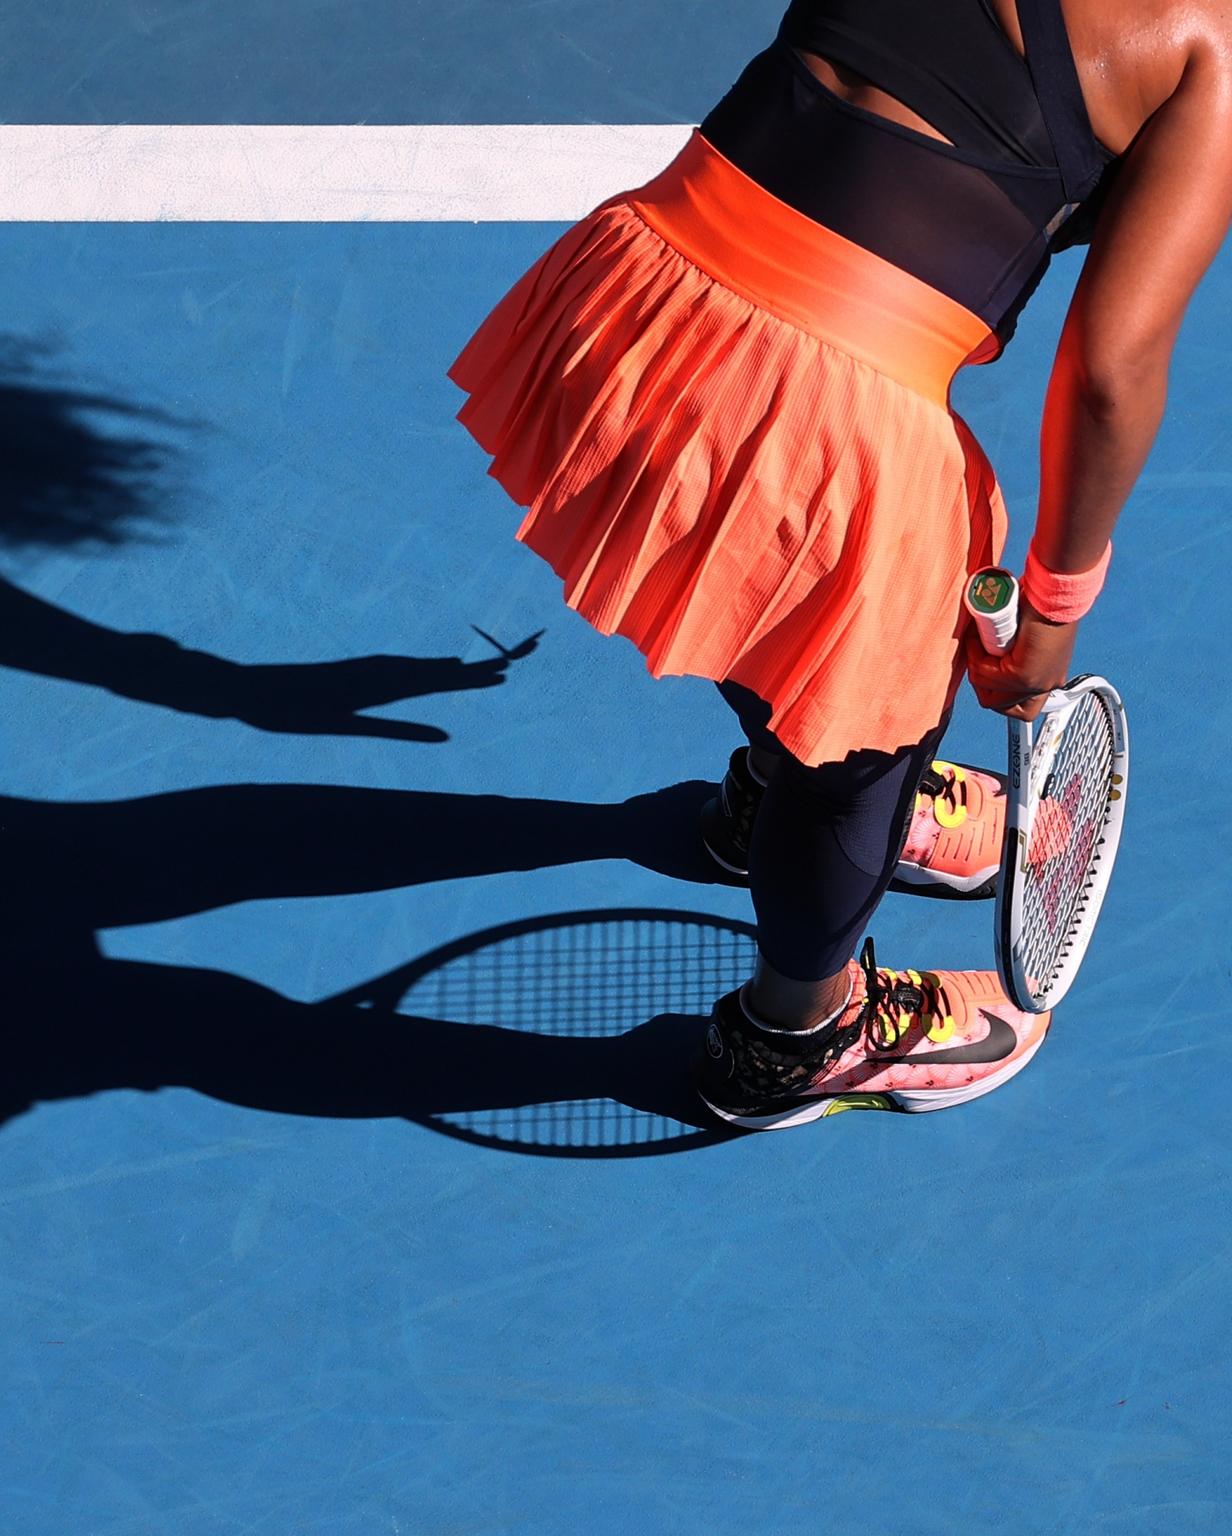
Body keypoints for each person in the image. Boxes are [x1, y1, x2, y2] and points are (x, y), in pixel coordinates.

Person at [448, 0, 1232, 1129]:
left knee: (775, 551)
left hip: (633, 307)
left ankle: (761, 799)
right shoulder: (1202, 45)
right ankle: (789, 1039)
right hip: (818, 410)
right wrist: (1054, 605)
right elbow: (1110, 374)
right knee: (867, 708)